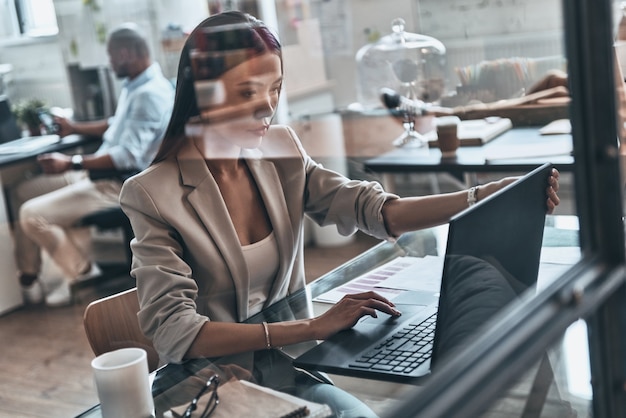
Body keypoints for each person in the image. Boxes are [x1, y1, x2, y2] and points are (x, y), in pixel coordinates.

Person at [119, 11, 560, 417]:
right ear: (203, 93)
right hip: (208, 384)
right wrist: (312, 326)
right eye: (248, 92)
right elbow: (176, 333)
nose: (267, 108)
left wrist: (481, 197)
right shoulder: (151, 194)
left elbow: (375, 210)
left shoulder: (281, 150)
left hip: (286, 370)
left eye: (274, 89)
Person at [12, 22, 175, 307]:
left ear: (125, 53)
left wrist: (71, 163)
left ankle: (81, 272)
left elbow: (128, 156)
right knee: (23, 189)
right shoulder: (138, 85)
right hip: (95, 174)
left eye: (111, 56)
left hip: (117, 183)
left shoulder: (150, 95)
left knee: (30, 214)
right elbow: (117, 127)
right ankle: (31, 274)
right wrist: (74, 127)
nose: (109, 63)